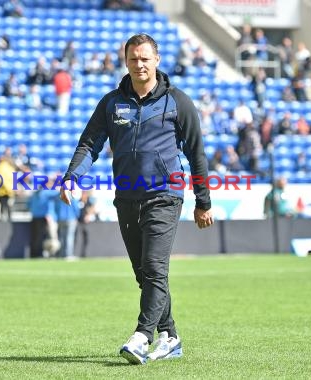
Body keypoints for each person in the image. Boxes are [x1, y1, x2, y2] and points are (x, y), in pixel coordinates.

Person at [59, 33, 213, 365]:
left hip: (165, 196)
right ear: (125, 61)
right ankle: (169, 336)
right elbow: (90, 143)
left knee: (155, 267)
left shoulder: (178, 102)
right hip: (126, 197)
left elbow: (197, 155)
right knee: (144, 272)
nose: (139, 64)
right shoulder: (112, 102)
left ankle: (142, 336)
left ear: (156, 60)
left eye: (145, 58)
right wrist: (73, 176)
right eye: (133, 59)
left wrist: (204, 201)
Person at [0, 155, 16, 222]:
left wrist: (7, 188)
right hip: (10, 191)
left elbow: (0, 179)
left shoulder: (1, 167)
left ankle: (3, 219)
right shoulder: (10, 167)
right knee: (8, 206)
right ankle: (9, 219)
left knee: (3, 205)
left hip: (3, 191)